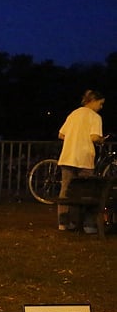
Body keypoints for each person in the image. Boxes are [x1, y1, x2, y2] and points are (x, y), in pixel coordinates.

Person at [57, 89, 105, 234]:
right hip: (84, 158)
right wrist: (101, 140)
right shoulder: (95, 117)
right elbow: (94, 137)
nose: (101, 107)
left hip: (68, 156)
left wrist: (74, 139)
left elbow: (61, 134)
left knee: (66, 191)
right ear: (94, 101)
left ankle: (64, 223)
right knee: (87, 192)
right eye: (101, 104)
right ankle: (88, 225)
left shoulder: (74, 114)